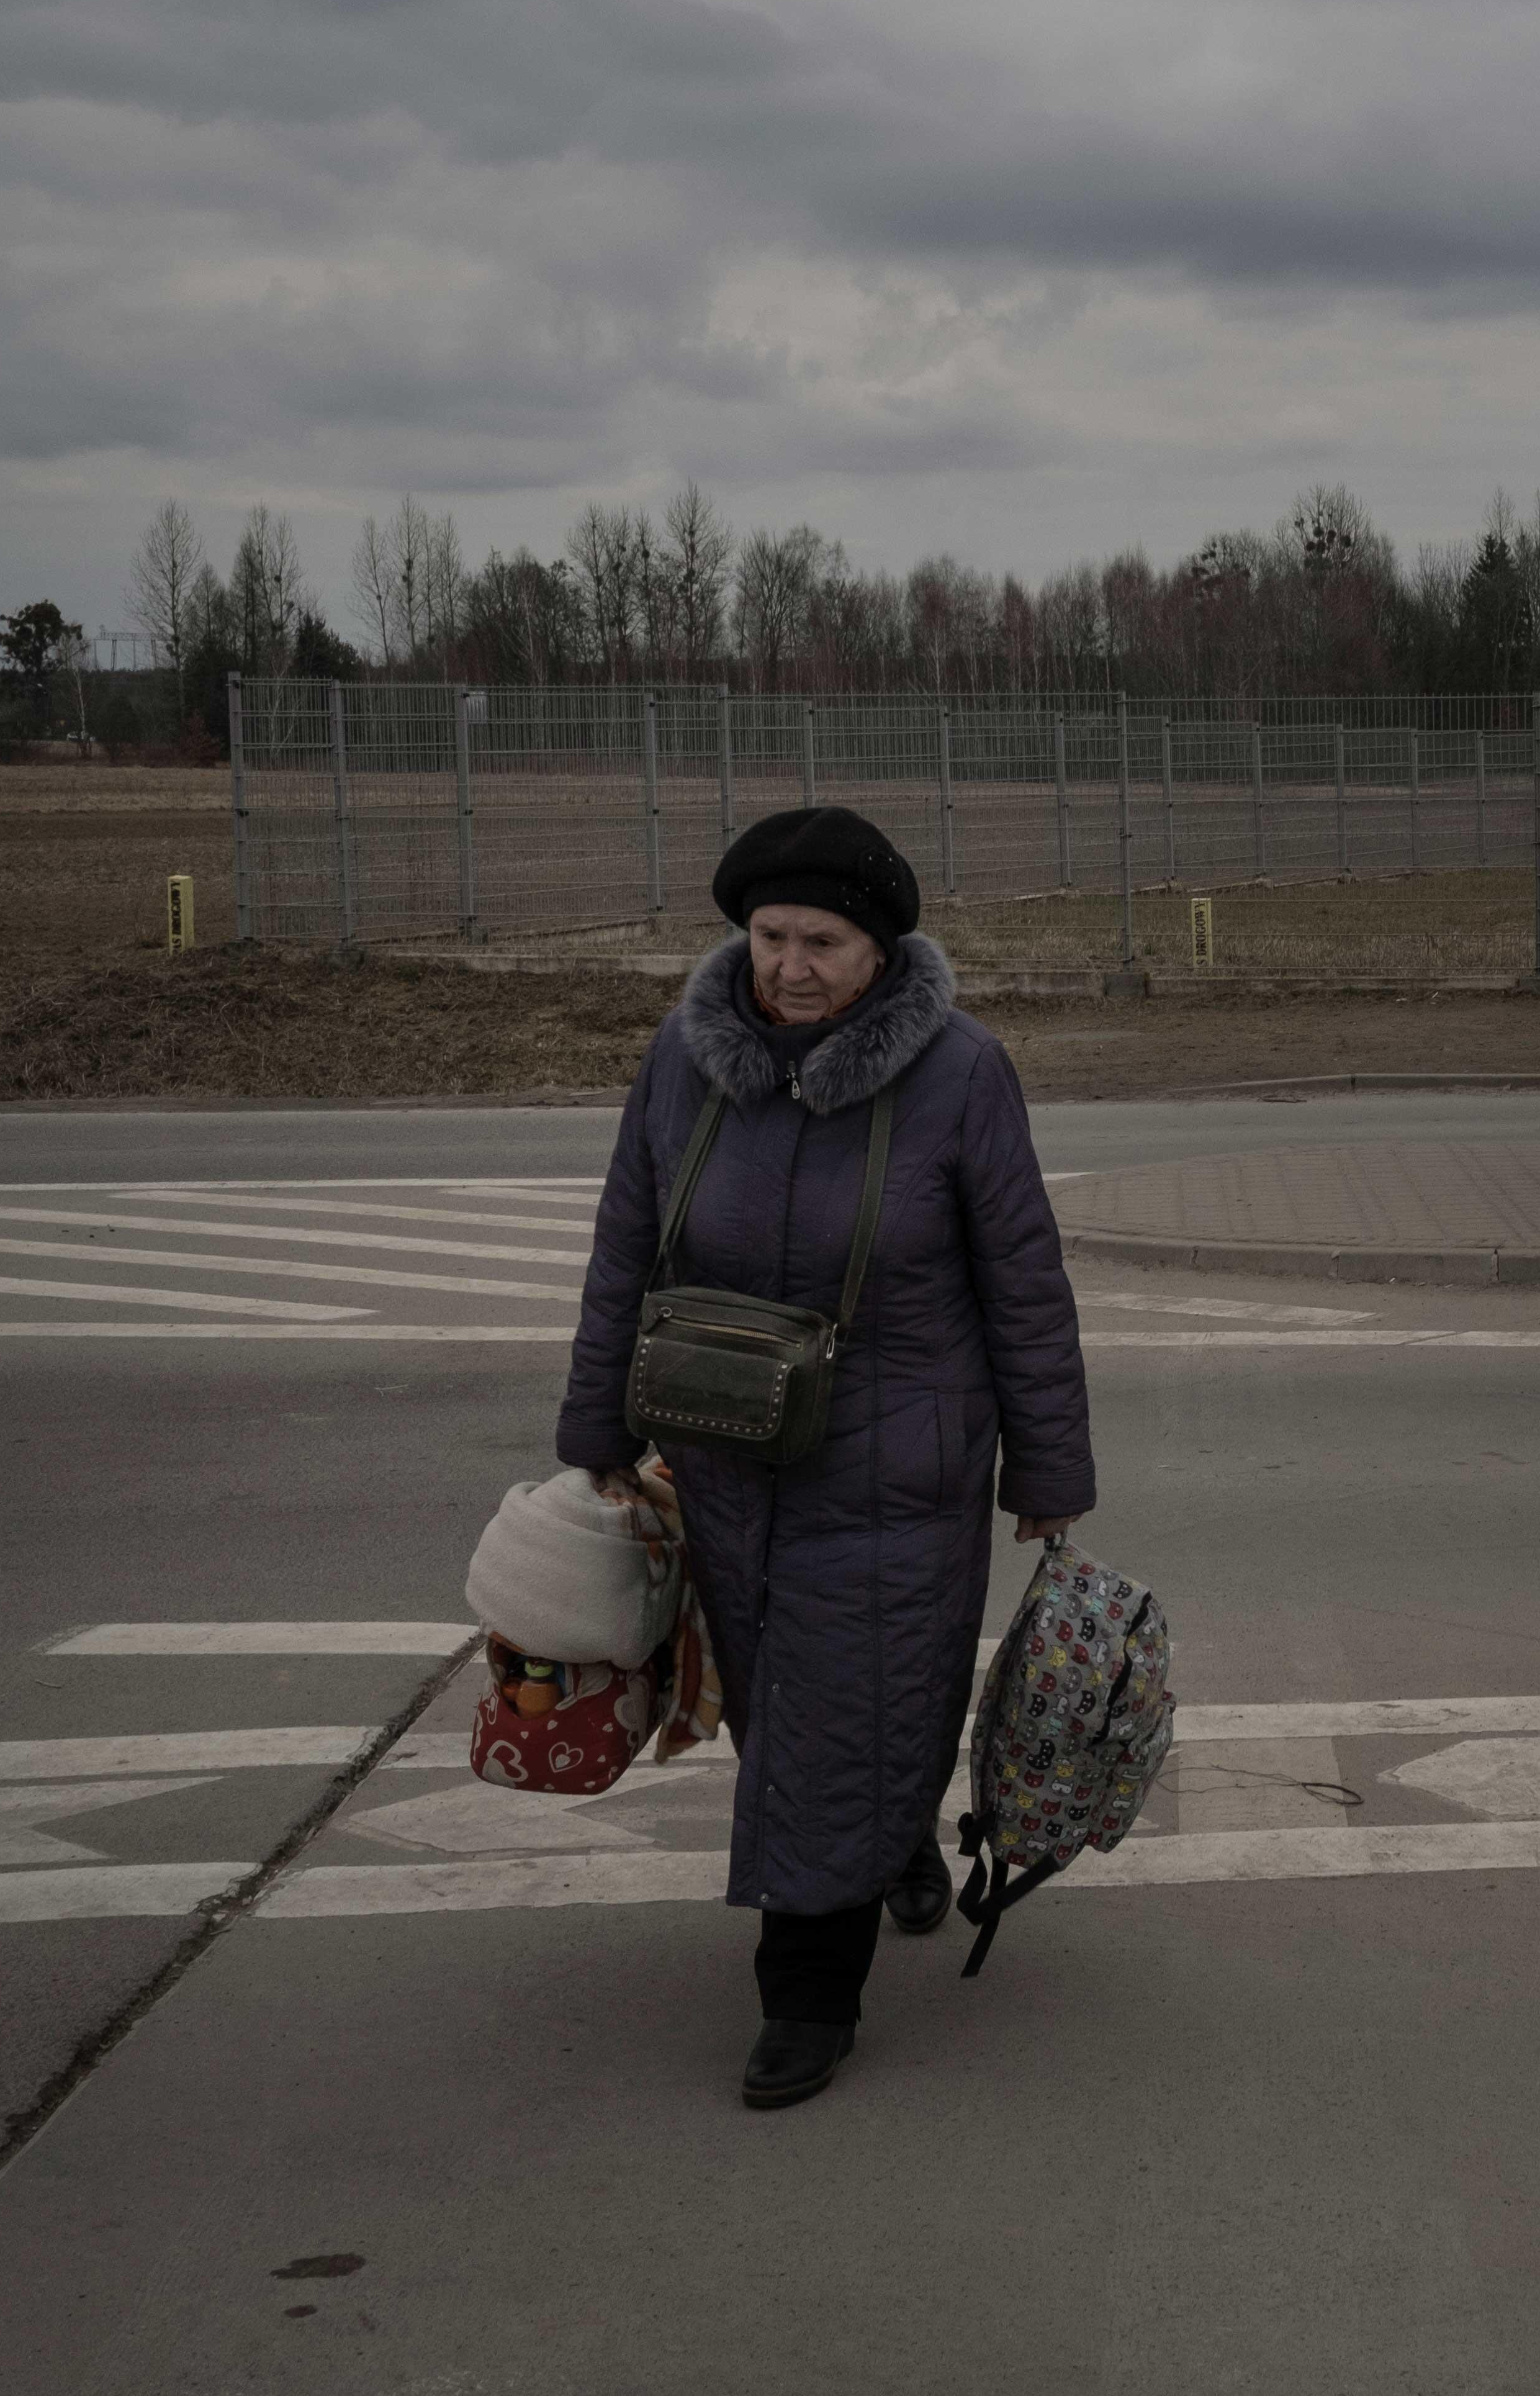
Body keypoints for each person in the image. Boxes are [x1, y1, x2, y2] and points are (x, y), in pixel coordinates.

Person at [554, 805, 1093, 2109]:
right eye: (770, 935)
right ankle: (894, 1831)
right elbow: (628, 1244)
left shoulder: (961, 1072)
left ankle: (806, 1999)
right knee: (786, 1716)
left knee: (835, 1720)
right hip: (727, 1462)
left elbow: (1023, 1281)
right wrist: (596, 1432)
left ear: (882, 949)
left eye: (824, 942)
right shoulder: (683, 1060)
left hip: (899, 1465)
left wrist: (1049, 1472)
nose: (789, 966)